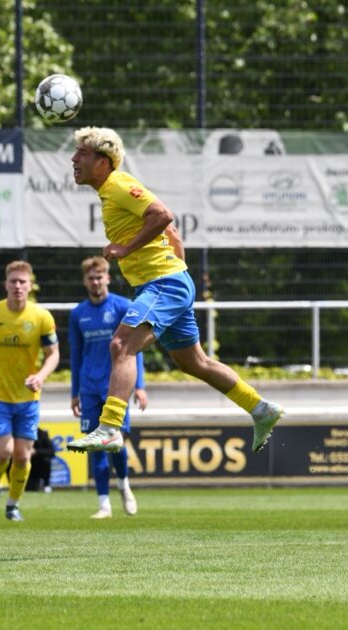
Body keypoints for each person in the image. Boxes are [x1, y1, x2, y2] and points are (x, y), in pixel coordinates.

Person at [67, 126, 284, 455]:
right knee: (193, 363)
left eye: (82, 153)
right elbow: (173, 233)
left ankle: (110, 427)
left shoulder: (119, 183)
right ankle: (260, 409)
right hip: (168, 283)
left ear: (103, 161)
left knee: (120, 345)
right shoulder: (110, 192)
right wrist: (178, 272)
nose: (74, 159)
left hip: (163, 284)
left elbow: (164, 215)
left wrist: (127, 249)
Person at [0, 260, 59, 522]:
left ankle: (13, 504)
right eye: (13, 281)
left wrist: (40, 376)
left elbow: (53, 354)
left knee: (21, 456)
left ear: (30, 286)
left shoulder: (41, 317)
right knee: (4, 452)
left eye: (22, 282)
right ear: (5, 285)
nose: (18, 286)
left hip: (28, 398)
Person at [70, 256, 150, 519]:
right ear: (84, 281)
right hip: (89, 386)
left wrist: (139, 386)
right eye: (90, 278)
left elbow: (134, 348)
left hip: (117, 385)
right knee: (96, 444)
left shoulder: (122, 307)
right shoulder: (78, 314)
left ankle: (124, 485)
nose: (95, 282)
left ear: (107, 278)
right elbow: (75, 354)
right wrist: (74, 392)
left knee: (114, 442)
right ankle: (104, 504)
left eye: (99, 277)